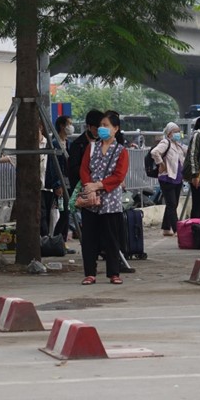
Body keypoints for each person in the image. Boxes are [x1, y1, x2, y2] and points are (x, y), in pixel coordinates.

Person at [79, 111, 129, 285]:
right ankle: (90, 273)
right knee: (89, 238)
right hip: (90, 199)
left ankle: (114, 273)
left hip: (111, 201)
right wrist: (89, 187)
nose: (102, 128)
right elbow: (84, 170)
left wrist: (97, 185)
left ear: (116, 129)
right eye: (101, 125)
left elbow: (119, 175)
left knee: (111, 238)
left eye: (106, 125)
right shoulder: (91, 147)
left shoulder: (121, 150)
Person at [151, 122, 187, 236]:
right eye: (175, 132)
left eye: (178, 131)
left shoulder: (178, 145)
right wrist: (160, 164)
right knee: (172, 204)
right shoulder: (165, 142)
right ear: (169, 133)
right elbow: (154, 152)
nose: (178, 134)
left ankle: (166, 228)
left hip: (177, 178)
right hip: (167, 178)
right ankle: (177, 229)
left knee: (173, 204)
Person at [45, 116, 73, 246]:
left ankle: (62, 243)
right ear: (62, 126)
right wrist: (57, 185)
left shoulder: (68, 143)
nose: (71, 127)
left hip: (68, 184)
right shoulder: (55, 143)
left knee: (67, 213)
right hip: (60, 186)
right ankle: (57, 241)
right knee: (64, 213)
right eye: (69, 124)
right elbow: (54, 166)